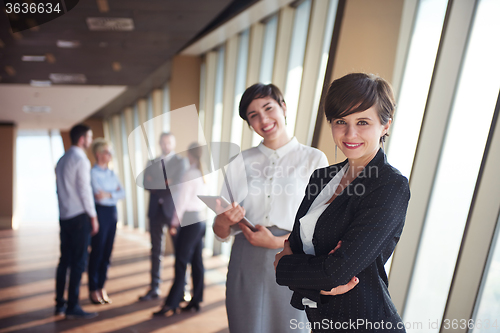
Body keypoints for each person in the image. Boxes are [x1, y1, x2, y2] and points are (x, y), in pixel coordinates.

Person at [274, 73, 411, 332]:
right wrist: (321, 276)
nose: (350, 133)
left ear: (385, 125)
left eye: (362, 122)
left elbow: (333, 272)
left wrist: (284, 266)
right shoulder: (322, 176)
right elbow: (300, 249)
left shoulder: (389, 185)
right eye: (341, 121)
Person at [212, 83, 329, 333]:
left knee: (291, 327)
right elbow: (220, 230)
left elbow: (320, 226)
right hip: (246, 256)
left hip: (293, 257)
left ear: (283, 107)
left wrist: (277, 243)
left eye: (268, 108)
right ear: (249, 123)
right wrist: (224, 219)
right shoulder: (240, 161)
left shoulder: (314, 159)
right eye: (253, 115)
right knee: (245, 326)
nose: (263, 119)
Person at [153, 143, 207, 316]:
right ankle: (196, 300)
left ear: (189, 155)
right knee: (197, 262)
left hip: (189, 221)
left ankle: (172, 303)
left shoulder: (189, 173)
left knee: (181, 262)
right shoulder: (203, 174)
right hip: (200, 220)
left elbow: (181, 202)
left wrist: (174, 223)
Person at [55, 124, 99, 319]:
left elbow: (59, 191)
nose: (90, 141)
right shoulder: (81, 159)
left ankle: (60, 304)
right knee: (79, 262)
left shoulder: (62, 160)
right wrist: (93, 216)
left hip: (64, 216)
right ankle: (73, 306)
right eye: (89, 137)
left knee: (64, 261)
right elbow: (85, 191)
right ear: (82, 139)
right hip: (80, 217)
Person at [139, 132, 188, 301]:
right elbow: (146, 183)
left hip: (173, 211)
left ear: (173, 144)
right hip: (155, 211)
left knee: (180, 251)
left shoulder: (181, 162)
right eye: (163, 142)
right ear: (159, 143)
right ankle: (154, 288)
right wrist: (165, 182)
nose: (166, 145)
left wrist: (157, 182)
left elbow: (177, 182)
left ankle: (182, 289)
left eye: (169, 142)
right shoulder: (151, 162)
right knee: (155, 251)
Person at [88, 138, 125, 305]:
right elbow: (98, 197)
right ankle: (93, 289)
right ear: (98, 154)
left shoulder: (112, 174)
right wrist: (113, 193)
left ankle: (102, 287)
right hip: (101, 213)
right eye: (107, 152)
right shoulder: (92, 174)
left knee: (108, 253)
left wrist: (109, 194)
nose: (110, 155)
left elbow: (122, 193)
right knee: (97, 252)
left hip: (112, 213)